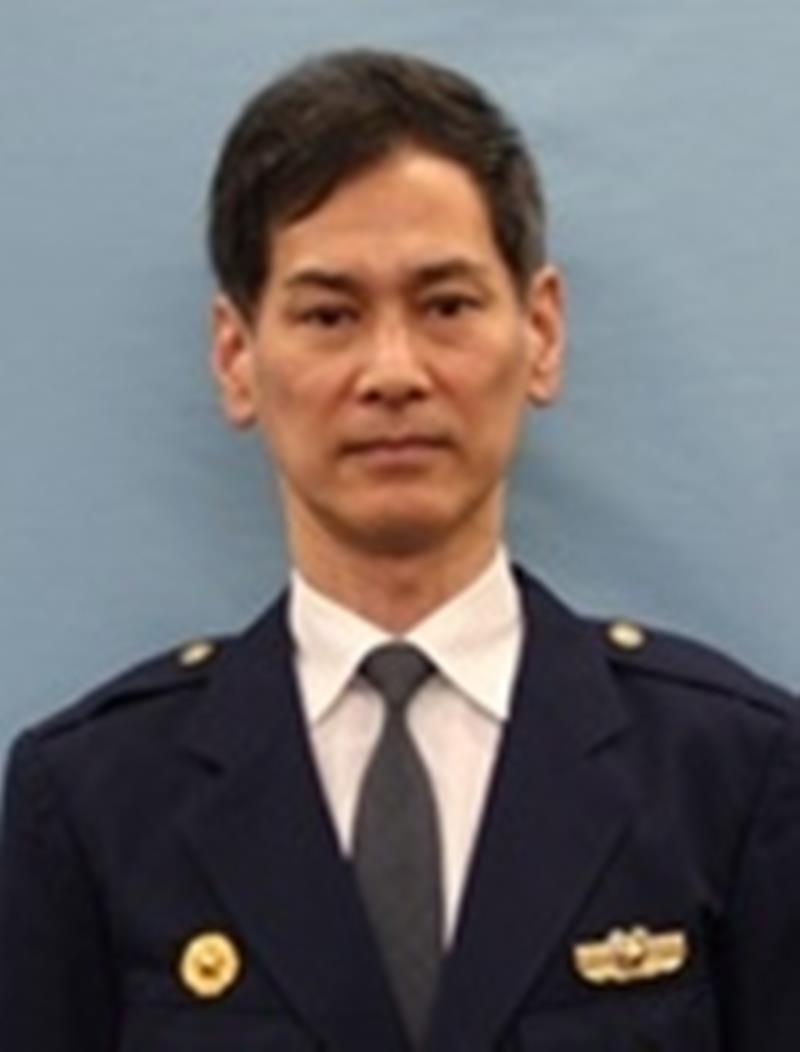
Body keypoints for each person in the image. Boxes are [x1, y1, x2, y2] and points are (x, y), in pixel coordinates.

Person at [1, 48, 798, 1052]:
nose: (392, 372)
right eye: (329, 314)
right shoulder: (94, 798)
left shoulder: (729, 772)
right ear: (237, 357)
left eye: (446, 305)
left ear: (541, 332)